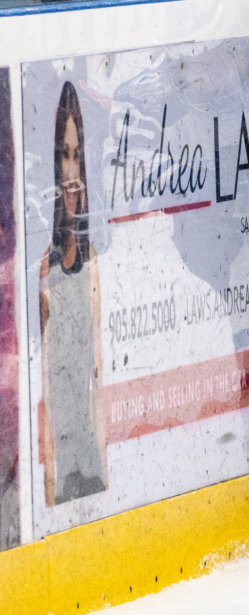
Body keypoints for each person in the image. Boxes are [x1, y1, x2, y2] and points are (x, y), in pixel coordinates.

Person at [39, 81, 108, 507]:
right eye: (64, 157)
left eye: (78, 156)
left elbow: (98, 375)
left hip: (90, 467)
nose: (72, 173)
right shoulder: (43, 270)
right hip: (60, 473)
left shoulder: (93, 259)